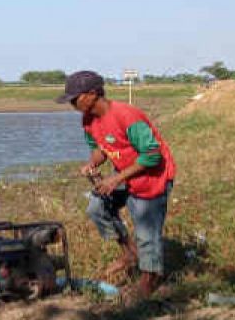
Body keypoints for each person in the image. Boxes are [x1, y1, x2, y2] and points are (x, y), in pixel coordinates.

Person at [56, 70, 176, 298]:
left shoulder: (127, 116)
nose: (72, 104)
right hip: (126, 173)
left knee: (146, 228)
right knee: (97, 207)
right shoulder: (88, 119)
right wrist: (92, 164)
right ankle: (130, 253)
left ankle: (150, 280)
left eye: (75, 98)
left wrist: (116, 179)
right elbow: (100, 149)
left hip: (152, 176)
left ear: (92, 94)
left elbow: (152, 156)